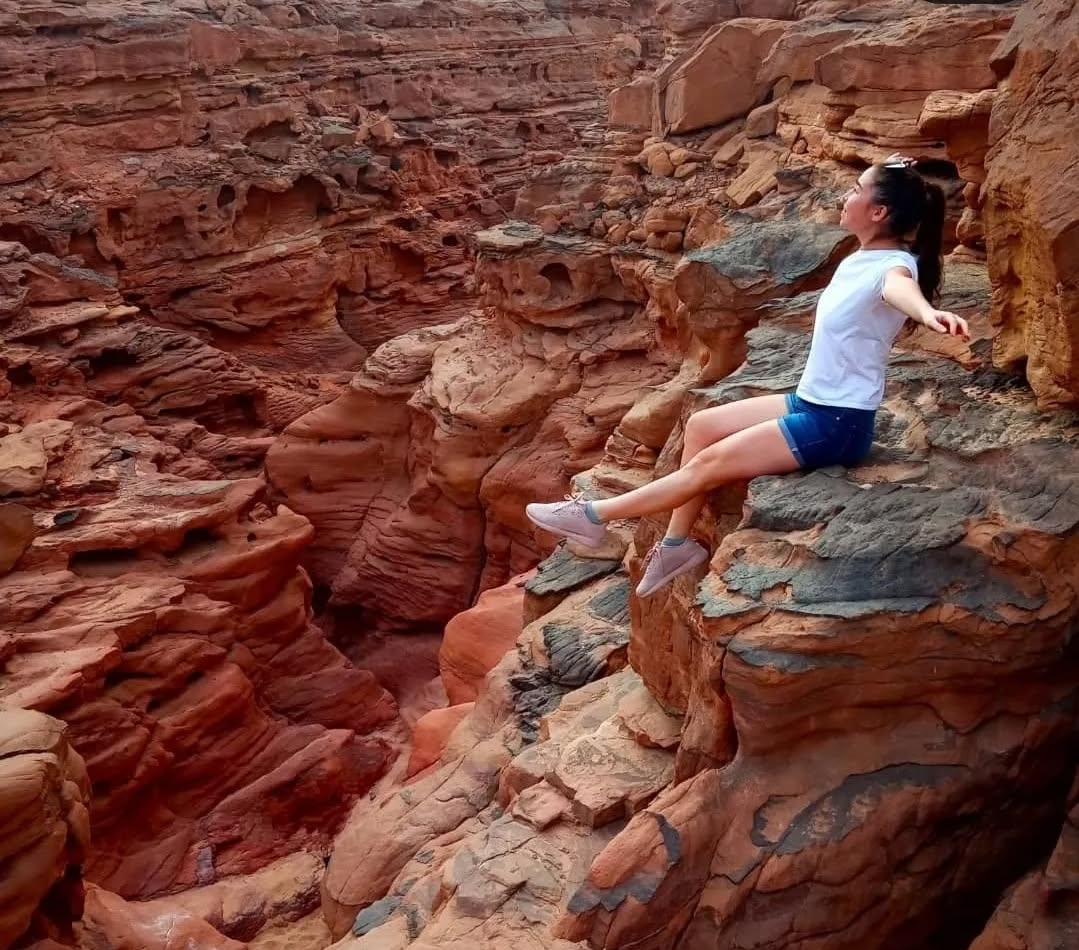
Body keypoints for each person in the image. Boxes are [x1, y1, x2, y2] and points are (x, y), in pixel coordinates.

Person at [526, 156, 970, 597]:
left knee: (707, 466)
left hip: (837, 424)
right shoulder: (865, 256)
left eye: (856, 189)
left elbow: (899, 288)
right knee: (701, 426)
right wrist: (893, 168)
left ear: (879, 212)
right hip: (812, 401)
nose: (844, 195)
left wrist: (927, 313)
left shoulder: (894, 267)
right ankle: (676, 547)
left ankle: (592, 516)